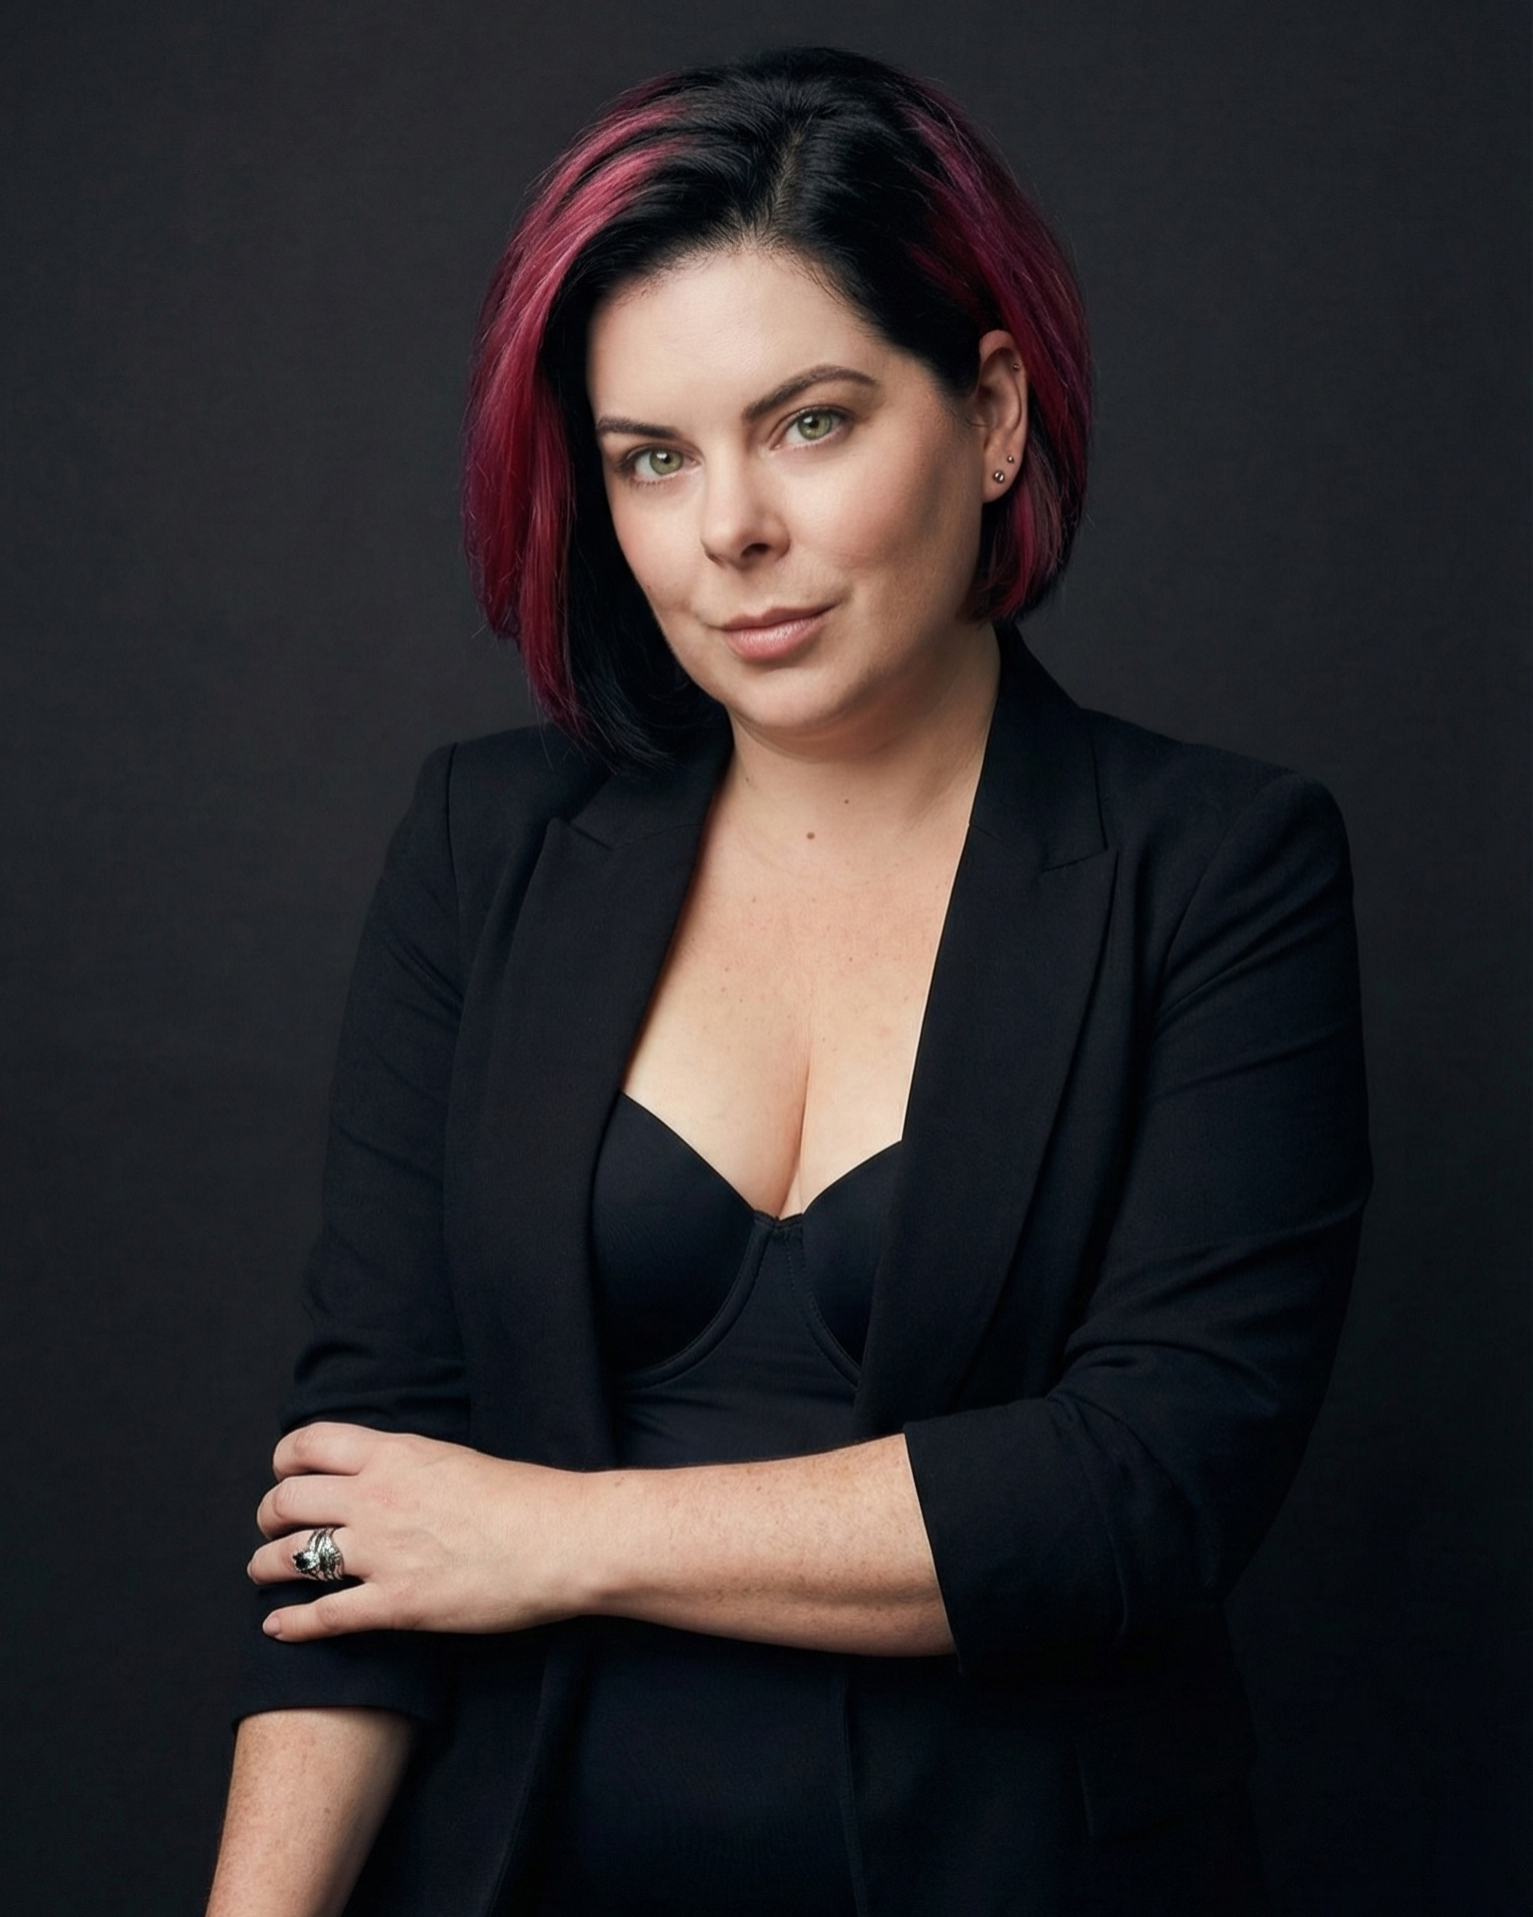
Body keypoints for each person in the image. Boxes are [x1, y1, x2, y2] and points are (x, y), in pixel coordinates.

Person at [206, 46, 1370, 1917]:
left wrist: (550, 1536)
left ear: (989, 414)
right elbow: (362, 1514)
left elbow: (1141, 1489)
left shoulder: (1213, 869)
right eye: (651, 459)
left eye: (808, 422)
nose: (728, 526)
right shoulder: (484, 847)